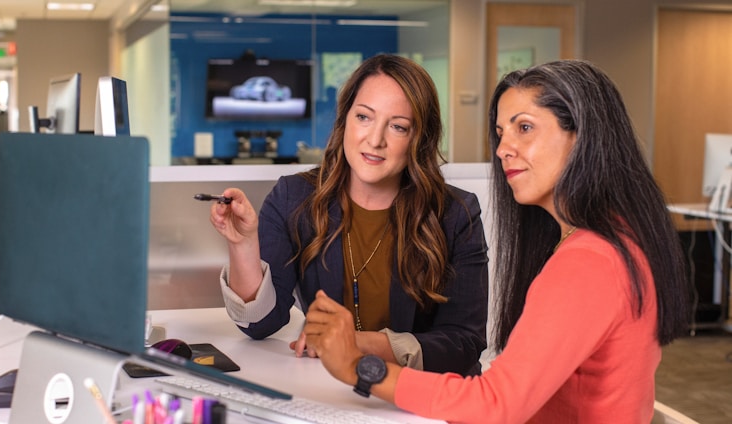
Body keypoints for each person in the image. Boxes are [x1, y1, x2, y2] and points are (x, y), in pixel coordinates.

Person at [302, 59, 692, 423]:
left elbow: (497, 403)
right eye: (502, 133)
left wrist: (359, 368)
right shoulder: (618, 237)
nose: (504, 149)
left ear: (582, 137)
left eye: (525, 128)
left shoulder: (590, 260)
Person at [208, 54, 489, 375]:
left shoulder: (456, 213)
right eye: (364, 117)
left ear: (418, 139)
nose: (375, 139)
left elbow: (464, 344)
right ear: (345, 120)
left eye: (398, 126)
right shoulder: (294, 197)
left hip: (421, 397)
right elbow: (259, 324)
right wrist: (243, 244)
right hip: (331, 390)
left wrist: (356, 343)